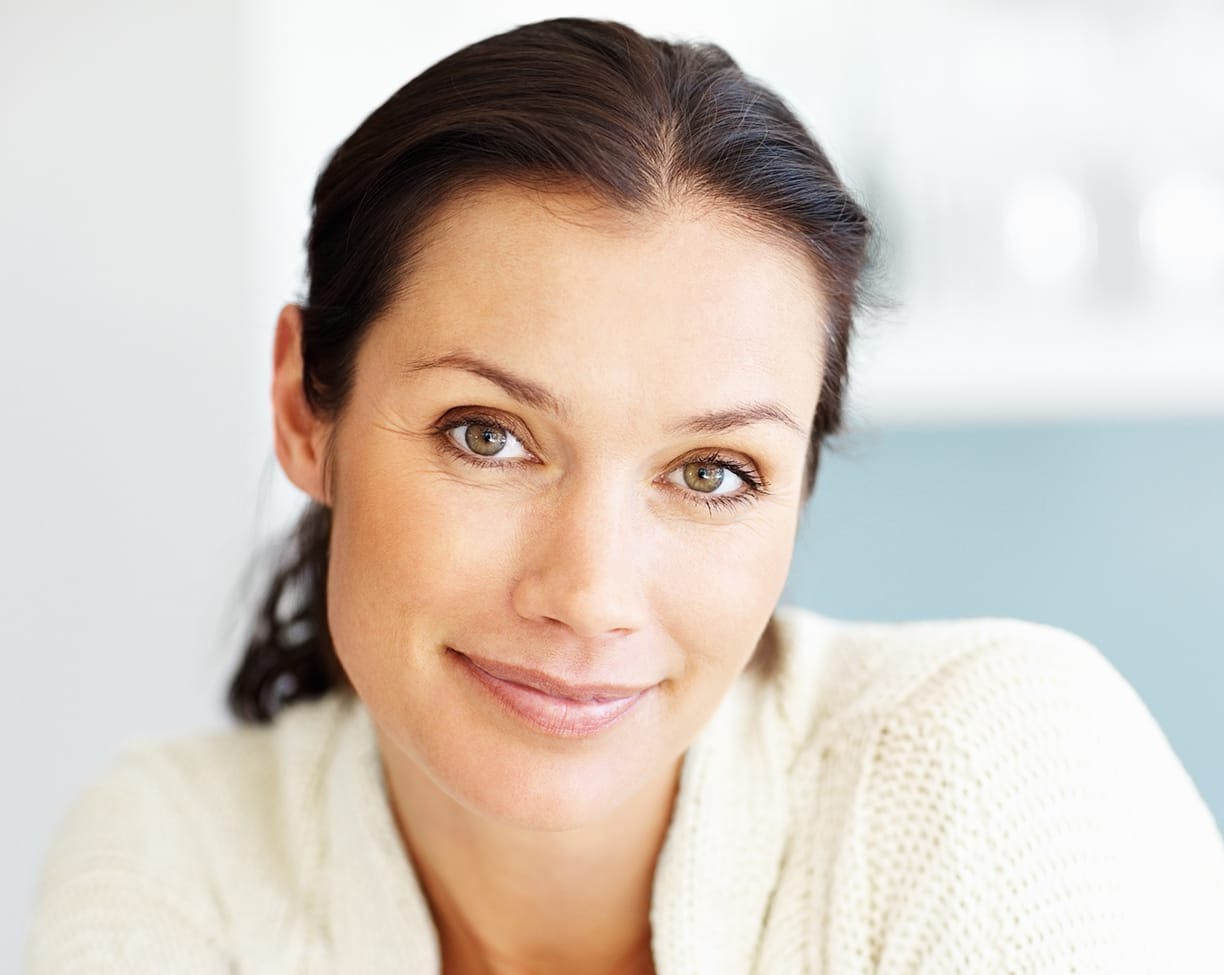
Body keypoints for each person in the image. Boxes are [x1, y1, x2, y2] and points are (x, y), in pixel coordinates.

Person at [25, 16, 1224, 975]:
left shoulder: (990, 774)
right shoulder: (177, 867)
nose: (590, 595)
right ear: (304, 407)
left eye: (712, 474)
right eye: (486, 435)